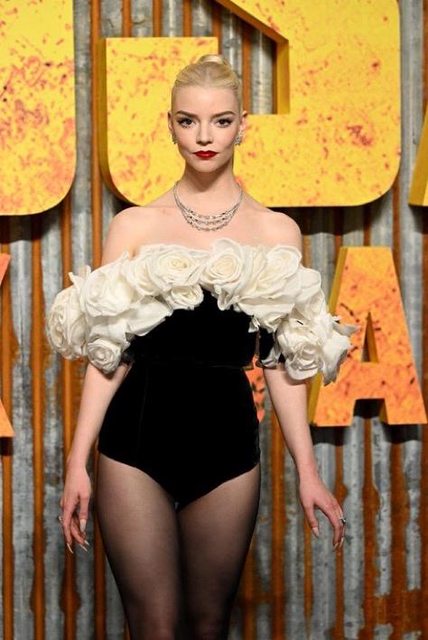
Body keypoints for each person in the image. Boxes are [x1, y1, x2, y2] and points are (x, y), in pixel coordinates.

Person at [47, 54, 355, 639]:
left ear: (243, 126)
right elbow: (109, 353)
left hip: (228, 446)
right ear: (170, 126)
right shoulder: (134, 225)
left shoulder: (277, 231)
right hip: (134, 445)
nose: (204, 136)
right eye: (189, 121)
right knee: (155, 628)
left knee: (210, 625)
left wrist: (308, 471)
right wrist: (76, 463)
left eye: (220, 121)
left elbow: (282, 360)